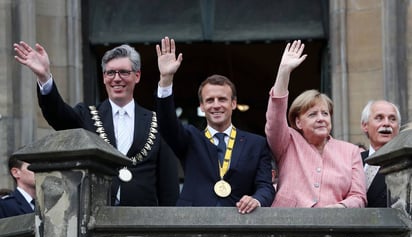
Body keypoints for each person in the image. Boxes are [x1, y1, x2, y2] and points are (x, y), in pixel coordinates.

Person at [13, 41, 179, 206]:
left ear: (137, 76)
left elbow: (168, 184)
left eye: (123, 72)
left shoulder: (155, 122)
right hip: (96, 217)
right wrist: (44, 77)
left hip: (143, 222)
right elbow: (57, 115)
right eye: (110, 73)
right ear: (104, 77)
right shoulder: (87, 116)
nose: (116, 78)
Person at [155, 37, 275, 214]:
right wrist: (166, 80)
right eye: (209, 100)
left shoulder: (256, 144)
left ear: (233, 104)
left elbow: (266, 187)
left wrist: (256, 199)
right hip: (193, 225)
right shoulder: (189, 139)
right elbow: (167, 124)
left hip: (239, 225)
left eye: (222, 99)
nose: (216, 105)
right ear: (202, 107)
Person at [265, 40, 367, 208]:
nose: (321, 118)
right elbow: (274, 118)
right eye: (312, 114)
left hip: (333, 227)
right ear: (298, 122)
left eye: (325, 113)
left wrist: (337, 209)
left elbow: (358, 196)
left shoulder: (351, 152)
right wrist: (283, 72)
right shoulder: (288, 142)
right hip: (289, 226)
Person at [360, 100, 401, 207]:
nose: (387, 123)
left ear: (398, 127)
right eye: (379, 118)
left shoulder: (406, 162)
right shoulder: (353, 160)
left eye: (392, 119)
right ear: (365, 125)